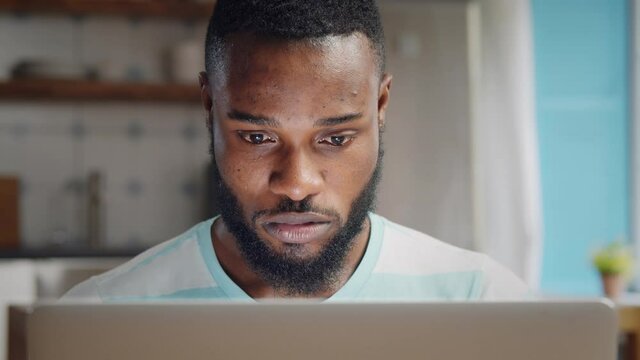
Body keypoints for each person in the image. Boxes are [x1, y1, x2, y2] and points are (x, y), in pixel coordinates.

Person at [64, 0, 528, 302]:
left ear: (380, 105)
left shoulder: (480, 298)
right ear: (209, 105)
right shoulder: (102, 314)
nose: (297, 182)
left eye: (336, 139)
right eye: (258, 137)